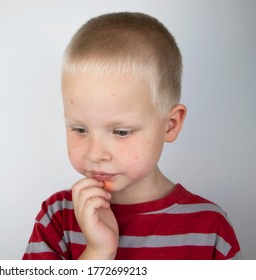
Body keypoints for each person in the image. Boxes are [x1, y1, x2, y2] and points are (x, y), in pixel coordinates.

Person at [22, 12, 241, 260]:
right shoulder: (57, 218)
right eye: (80, 129)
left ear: (170, 125)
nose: (96, 154)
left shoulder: (210, 230)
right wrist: (97, 252)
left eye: (121, 132)